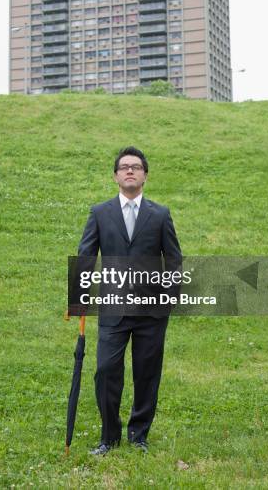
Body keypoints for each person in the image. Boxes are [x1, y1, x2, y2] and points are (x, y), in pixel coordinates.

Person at [77, 146, 182, 455]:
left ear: (145, 176)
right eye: (124, 167)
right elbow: (85, 257)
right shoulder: (100, 213)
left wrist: (169, 299)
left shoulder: (160, 215)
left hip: (152, 312)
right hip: (113, 310)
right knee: (106, 371)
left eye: (136, 167)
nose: (130, 171)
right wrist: (78, 298)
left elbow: (174, 261)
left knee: (147, 373)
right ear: (115, 176)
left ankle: (139, 436)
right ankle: (109, 437)